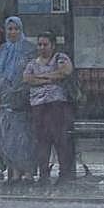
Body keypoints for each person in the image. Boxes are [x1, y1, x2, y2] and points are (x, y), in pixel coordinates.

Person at [0, 16, 38, 184]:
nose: (13, 32)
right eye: (9, 29)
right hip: (4, 102)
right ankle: (15, 171)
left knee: (24, 138)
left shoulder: (29, 49)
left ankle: (28, 172)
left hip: (22, 101)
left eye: (16, 29)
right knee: (7, 137)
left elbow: (32, 72)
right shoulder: (2, 50)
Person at [23, 32, 75, 185]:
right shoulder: (32, 63)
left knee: (60, 140)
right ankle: (43, 174)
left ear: (53, 45)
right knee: (42, 141)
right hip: (38, 106)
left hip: (56, 105)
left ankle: (64, 174)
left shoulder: (60, 58)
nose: (42, 47)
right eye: (39, 44)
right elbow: (27, 78)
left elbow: (65, 72)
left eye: (45, 44)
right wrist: (50, 77)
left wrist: (40, 78)